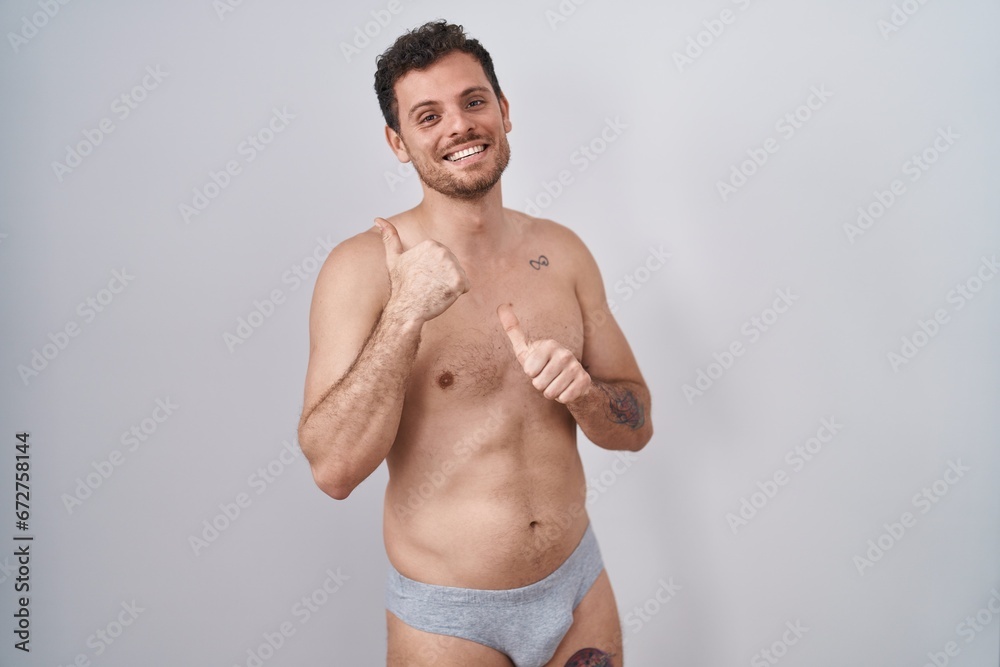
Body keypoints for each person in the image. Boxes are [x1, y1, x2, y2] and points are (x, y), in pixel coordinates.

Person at [297, 19, 652, 667]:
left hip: (579, 589)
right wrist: (406, 311)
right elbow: (334, 470)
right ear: (397, 142)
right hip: (449, 619)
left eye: (473, 101)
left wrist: (585, 393)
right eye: (427, 115)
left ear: (504, 111)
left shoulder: (562, 251)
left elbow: (636, 427)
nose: (458, 125)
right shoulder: (361, 268)